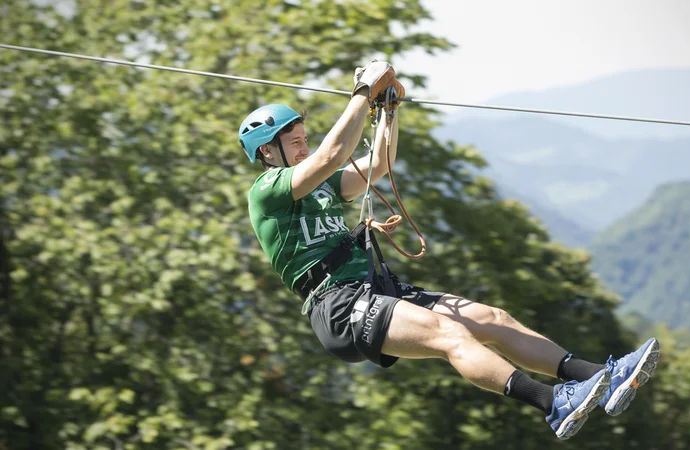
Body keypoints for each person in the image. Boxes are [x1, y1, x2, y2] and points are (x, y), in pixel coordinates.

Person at [240, 60, 660, 440]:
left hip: (373, 289)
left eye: (303, 139)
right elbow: (334, 154)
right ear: (267, 152)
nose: (304, 148)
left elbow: (380, 163)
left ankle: (603, 377)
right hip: (337, 305)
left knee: (492, 319)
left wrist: (387, 111)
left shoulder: (322, 187)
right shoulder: (268, 191)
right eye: (294, 143)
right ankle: (553, 404)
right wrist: (361, 94)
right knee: (450, 335)